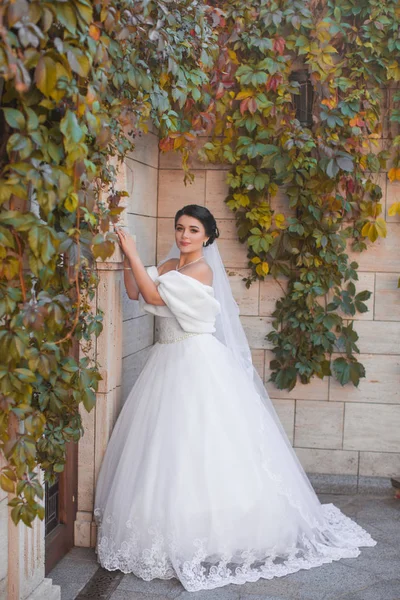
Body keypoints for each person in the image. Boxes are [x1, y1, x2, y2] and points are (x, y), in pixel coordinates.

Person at [93, 204, 377, 592]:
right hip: (167, 362)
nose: (184, 235)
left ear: (208, 237)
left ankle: (218, 529)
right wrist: (129, 259)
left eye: (193, 230)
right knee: (169, 447)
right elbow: (134, 289)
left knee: (206, 444)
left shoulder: (200, 271)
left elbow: (155, 299)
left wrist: (134, 255)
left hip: (196, 361)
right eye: (180, 228)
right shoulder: (171, 264)